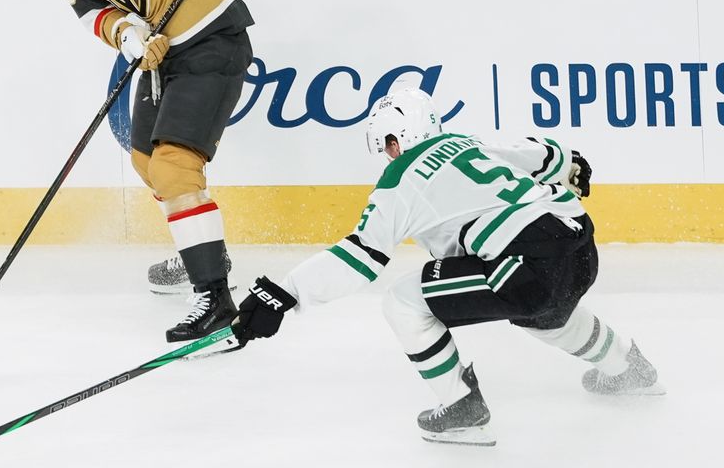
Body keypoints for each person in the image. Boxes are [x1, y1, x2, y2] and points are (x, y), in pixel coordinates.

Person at [231, 83, 664, 446]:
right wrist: (572, 163)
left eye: (388, 144)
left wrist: (283, 294)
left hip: (526, 264)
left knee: (403, 302)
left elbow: (359, 256)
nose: (389, 154)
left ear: (398, 138)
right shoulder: (468, 144)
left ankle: (462, 407)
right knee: (546, 313)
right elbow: (542, 153)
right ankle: (630, 369)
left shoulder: (401, 179)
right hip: (580, 246)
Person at [38, 0, 255, 342]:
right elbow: (92, 9)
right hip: (163, 57)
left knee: (175, 167)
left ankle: (216, 298)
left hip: (212, 39)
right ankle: (202, 246)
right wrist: (128, 34)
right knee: (145, 159)